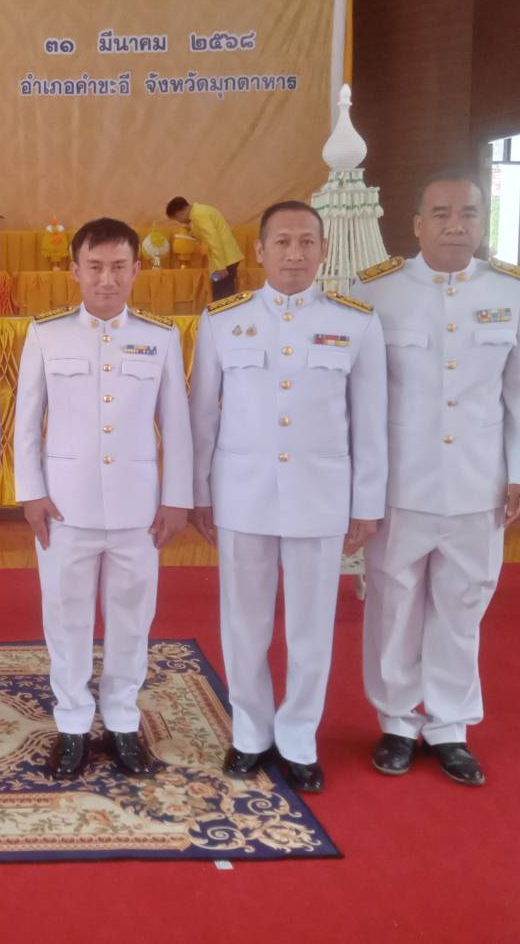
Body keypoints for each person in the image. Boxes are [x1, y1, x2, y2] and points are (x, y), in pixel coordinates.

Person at [350, 172, 520, 786]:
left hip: (477, 482)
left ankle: (450, 726)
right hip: (400, 483)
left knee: (463, 603)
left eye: (468, 213)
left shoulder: (509, 290)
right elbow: (359, 398)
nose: (455, 225)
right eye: (440, 213)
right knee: (394, 602)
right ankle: (396, 721)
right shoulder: (378, 290)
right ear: (417, 224)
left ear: (483, 221)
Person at [188, 200, 388, 793]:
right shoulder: (222, 320)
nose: (294, 254)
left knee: (310, 628)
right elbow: (202, 417)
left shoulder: (356, 323)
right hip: (243, 493)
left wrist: (366, 503)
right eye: (282, 242)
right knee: (244, 622)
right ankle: (250, 732)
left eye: (306, 242)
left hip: (319, 495)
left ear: (323, 250)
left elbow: (369, 421)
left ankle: (299, 737)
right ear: (259, 251)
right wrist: (199, 492)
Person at [14, 217, 194, 779]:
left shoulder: (160, 337)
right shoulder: (47, 334)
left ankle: (121, 721)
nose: (107, 279)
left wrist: (177, 497)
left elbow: (177, 425)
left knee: (132, 617)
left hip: (139, 508)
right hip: (64, 507)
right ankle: (71, 724)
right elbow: (27, 422)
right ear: (74, 270)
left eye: (119, 267)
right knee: (65, 617)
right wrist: (31, 492)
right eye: (95, 267)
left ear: (137, 270)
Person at [166, 196, 245, 301]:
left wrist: (220, 267)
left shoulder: (199, 215)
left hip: (225, 260)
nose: (180, 221)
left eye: (177, 218)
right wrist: (191, 230)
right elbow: (205, 235)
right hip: (227, 258)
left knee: (221, 299)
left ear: (181, 212)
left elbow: (213, 239)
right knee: (224, 297)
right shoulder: (200, 211)